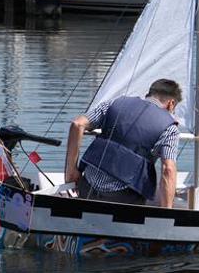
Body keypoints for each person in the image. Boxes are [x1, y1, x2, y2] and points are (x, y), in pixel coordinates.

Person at [64, 79, 182, 207]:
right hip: (124, 197)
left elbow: (77, 124)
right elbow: (168, 170)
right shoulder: (170, 128)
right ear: (171, 104)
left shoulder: (115, 103)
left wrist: (71, 170)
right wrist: (167, 211)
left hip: (87, 186)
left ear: (149, 94)